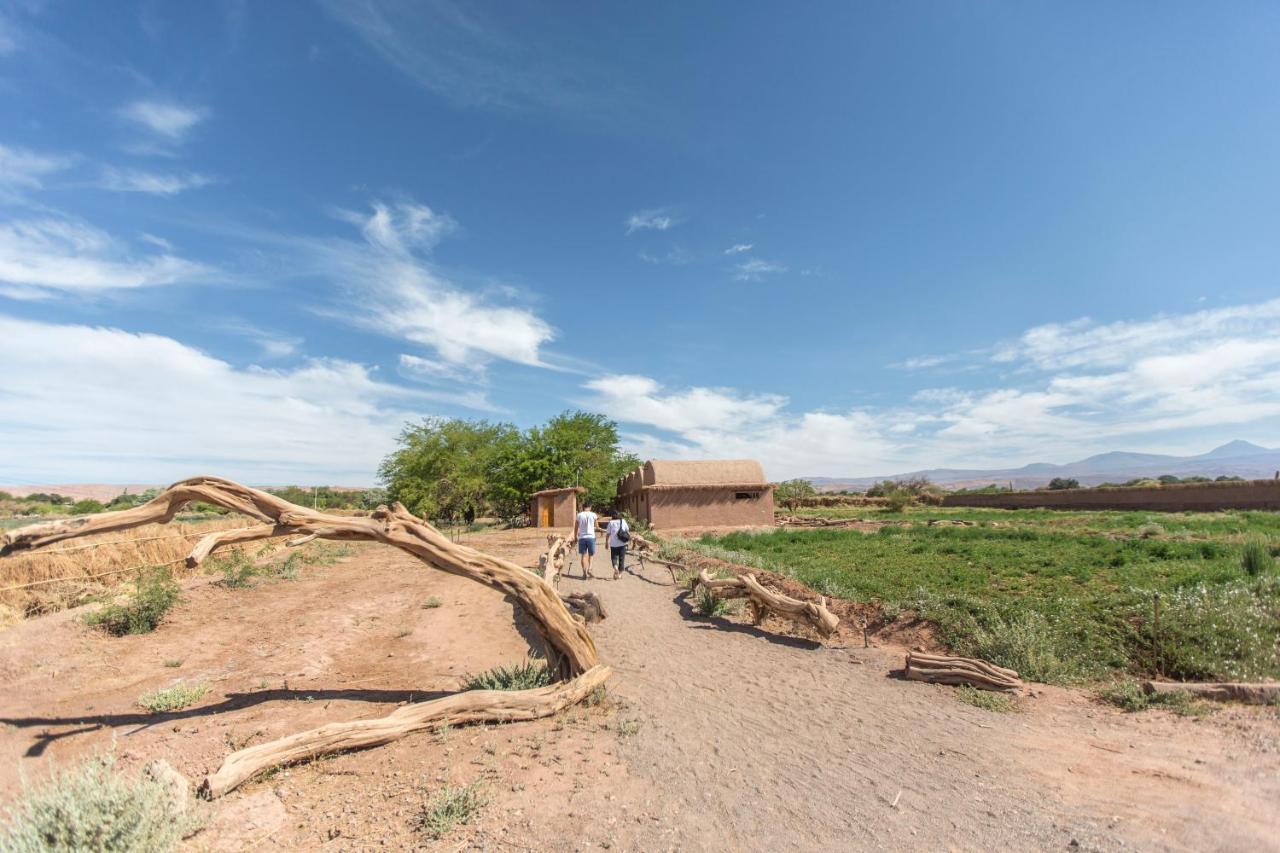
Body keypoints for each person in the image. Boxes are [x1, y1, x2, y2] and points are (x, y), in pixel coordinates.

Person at [574, 502, 599, 578]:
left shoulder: (579, 515)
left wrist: (575, 536)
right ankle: (590, 568)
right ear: (590, 507)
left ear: (583, 507)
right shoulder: (594, 515)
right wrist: (596, 527)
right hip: (591, 537)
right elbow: (597, 526)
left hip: (582, 538)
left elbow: (576, 527)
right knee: (591, 555)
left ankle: (584, 571)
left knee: (583, 555)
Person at [604, 515, 629, 579]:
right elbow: (627, 531)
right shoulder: (623, 521)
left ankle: (615, 568)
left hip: (613, 544)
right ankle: (620, 574)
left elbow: (608, 534)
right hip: (622, 543)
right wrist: (628, 540)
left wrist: (606, 542)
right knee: (621, 559)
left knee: (614, 558)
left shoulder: (611, 522)